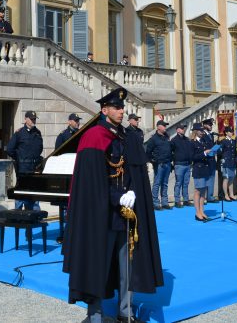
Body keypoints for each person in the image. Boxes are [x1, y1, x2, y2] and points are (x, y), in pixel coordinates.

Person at [62, 87, 162, 323]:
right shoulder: (94, 136)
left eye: (122, 108)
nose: (121, 111)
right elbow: (93, 182)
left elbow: (135, 173)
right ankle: (95, 314)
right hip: (101, 215)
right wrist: (118, 197)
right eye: (117, 108)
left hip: (127, 215)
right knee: (98, 263)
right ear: (104, 110)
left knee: (128, 265)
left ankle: (125, 312)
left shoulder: (128, 137)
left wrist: (134, 193)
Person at [7, 111, 43, 210]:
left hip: (35, 168)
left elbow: (40, 148)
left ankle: (34, 215)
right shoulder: (19, 133)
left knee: (34, 194)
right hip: (23, 169)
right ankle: (18, 217)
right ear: (25, 119)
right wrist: (19, 158)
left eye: (34, 119)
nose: (33, 121)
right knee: (21, 194)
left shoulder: (37, 132)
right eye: (31, 119)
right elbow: (10, 149)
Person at [145, 120, 172, 210]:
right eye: (163, 126)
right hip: (159, 164)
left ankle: (164, 202)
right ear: (158, 127)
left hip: (167, 163)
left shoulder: (167, 136)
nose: (165, 127)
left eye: (165, 126)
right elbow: (148, 152)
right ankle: (155, 203)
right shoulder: (153, 139)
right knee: (157, 183)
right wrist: (154, 161)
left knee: (165, 184)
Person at [190, 123, 212, 221]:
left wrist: (211, 152)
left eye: (203, 131)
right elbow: (192, 157)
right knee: (198, 191)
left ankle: (202, 211)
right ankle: (197, 212)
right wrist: (204, 153)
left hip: (205, 168)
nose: (202, 132)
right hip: (198, 169)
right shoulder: (192, 143)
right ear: (196, 131)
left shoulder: (204, 141)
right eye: (200, 131)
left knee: (203, 191)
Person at [170, 123, 192, 208]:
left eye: (184, 128)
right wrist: (174, 160)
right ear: (178, 130)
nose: (184, 130)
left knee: (186, 183)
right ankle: (177, 201)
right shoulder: (174, 140)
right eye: (182, 128)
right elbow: (170, 152)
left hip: (187, 164)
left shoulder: (187, 139)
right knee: (178, 183)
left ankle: (186, 200)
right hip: (179, 164)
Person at [201, 118, 218, 203]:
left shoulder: (211, 135)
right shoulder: (202, 135)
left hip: (212, 160)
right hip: (206, 160)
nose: (211, 126)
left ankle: (210, 196)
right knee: (204, 179)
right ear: (204, 125)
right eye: (209, 125)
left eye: (211, 125)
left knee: (212, 178)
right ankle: (203, 197)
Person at [219, 127, 237, 201]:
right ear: (226, 133)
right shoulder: (223, 141)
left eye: (232, 131)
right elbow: (220, 152)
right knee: (226, 179)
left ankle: (231, 194)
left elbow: (235, 153)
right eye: (230, 131)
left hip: (232, 162)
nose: (231, 133)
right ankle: (226, 195)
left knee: (231, 179)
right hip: (226, 162)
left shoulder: (233, 141)